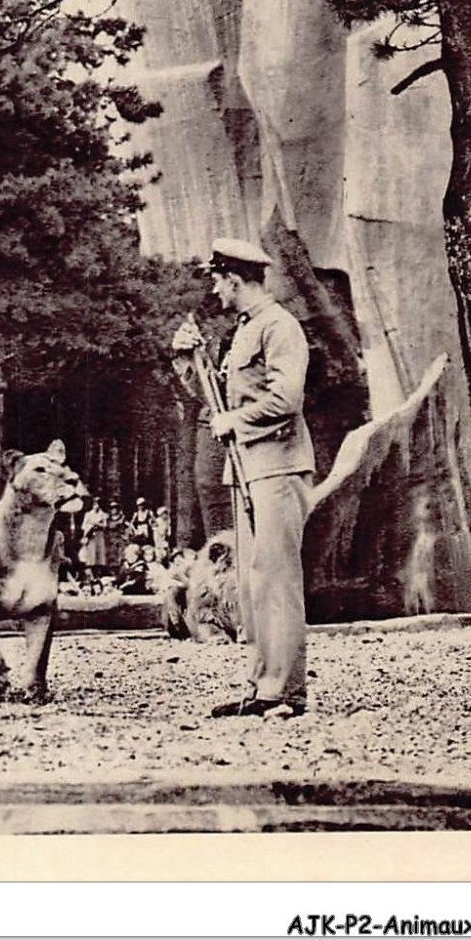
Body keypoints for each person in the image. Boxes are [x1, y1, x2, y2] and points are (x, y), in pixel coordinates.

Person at [171, 236, 315, 719]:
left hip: (279, 465)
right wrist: (185, 360)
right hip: (251, 470)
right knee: (256, 582)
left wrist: (238, 421)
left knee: (278, 580)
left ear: (234, 279)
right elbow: (213, 403)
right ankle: (262, 687)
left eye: (217, 280)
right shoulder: (245, 330)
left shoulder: (279, 327)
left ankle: (286, 693)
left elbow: (286, 400)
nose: (214, 290)